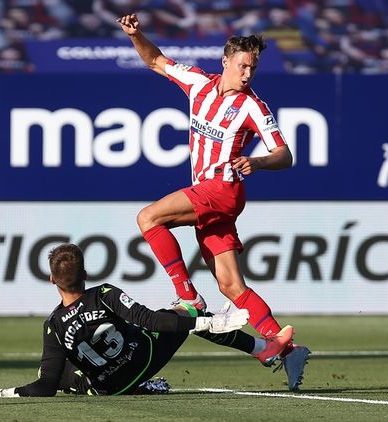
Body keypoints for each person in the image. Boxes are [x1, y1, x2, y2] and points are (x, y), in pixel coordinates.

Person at [117, 12, 311, 391]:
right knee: (230, 285)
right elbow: (155, 60)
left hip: (222, 190)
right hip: (211, 195)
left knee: (148, 218)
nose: (248, 73)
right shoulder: (198, 84)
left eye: (253, 67)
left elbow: (285, 155)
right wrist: (136, 35)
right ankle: (284, 348)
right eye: (242, 65)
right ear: (226, 62)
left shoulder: (254, 106)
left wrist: (257, 161)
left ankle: (187, 297)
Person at [0, 243, 293, 397]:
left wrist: (0, 392)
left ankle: (88, 387)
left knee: (54, 373)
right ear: (85, 274)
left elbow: (45, 387)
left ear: (51, 280)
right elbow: (149, 320)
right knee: (180, 314)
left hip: (110, 388)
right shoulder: (103, 292)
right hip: (145, 359)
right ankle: (260, 347)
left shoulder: (53, 325)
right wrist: (204, 323)